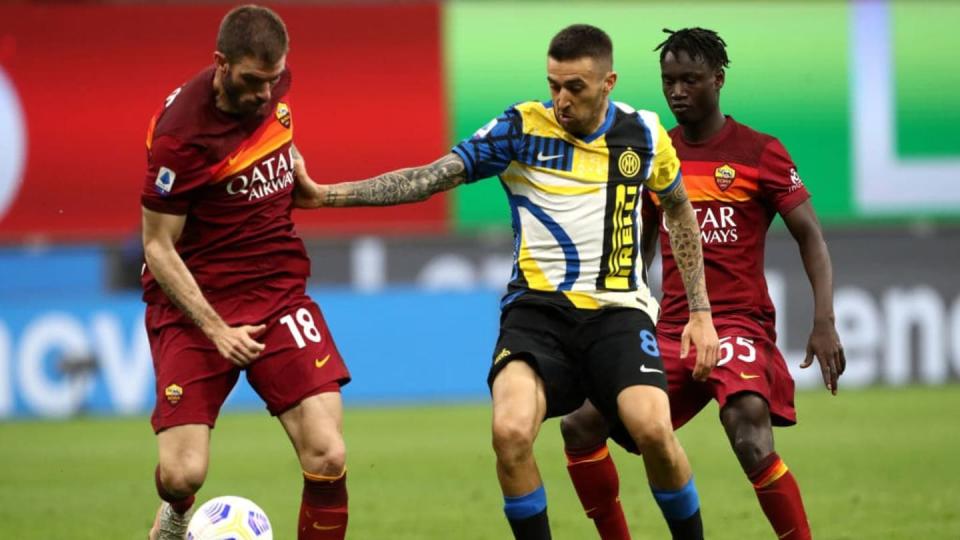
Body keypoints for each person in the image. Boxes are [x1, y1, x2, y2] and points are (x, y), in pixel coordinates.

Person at [294, 24, 719, 540]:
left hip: (618, 313)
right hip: (537, 314)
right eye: (553, 85)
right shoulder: (520, 128)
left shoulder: (645, 134)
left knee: (653, 429)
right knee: (510, 431)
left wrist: (700, 311)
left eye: (575, 88)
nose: (561, 100)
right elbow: (433, 176)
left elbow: (678, 210)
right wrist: (330, 196)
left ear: (609, 82)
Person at [559, 28, 846, 540]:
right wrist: (625, 315)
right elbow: (639, 245)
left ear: (718, 80)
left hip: (738, 325)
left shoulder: (760, 152)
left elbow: (812, 237)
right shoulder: (656, 151)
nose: (677, 92)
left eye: (690, 80)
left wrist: (823, 320)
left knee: (748, 429)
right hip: (671, 329)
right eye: (669, 81)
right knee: (580, 425)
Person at [141, 6, 351, 539]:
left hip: (278, 293)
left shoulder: (273, 83)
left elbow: (274, 133)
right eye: (255, 82)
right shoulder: (180, 139)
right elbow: (158, 247)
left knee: (327, 453)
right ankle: (178, 509)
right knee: (181, 472)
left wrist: (292, 166)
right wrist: (216, 330)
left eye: (275, 79)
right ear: (221, 64)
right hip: (198, 306)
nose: (266, 93)